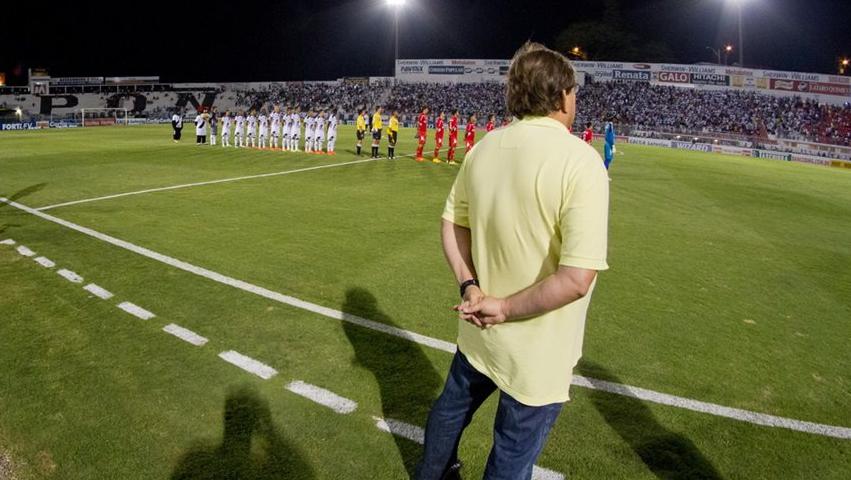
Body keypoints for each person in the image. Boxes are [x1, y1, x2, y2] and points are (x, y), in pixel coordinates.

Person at [417, 42, 609, 480]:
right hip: (537, 347)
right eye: (575, 91)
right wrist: (501, 307)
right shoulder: (581, 161)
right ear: (561, 95)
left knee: (450, 412)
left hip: (478, 330)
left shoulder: (483, 149)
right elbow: (577, 278)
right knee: (511, 452)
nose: (576, 100)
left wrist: (470, 287)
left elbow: (451, 223)